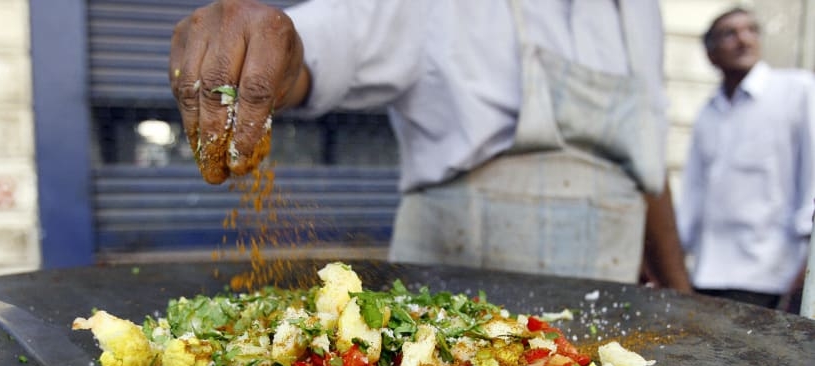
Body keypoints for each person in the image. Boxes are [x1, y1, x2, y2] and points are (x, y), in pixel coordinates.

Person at [170, 0, 691, 291]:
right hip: (457, 290)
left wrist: (683, 296)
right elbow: (326, 42)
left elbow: (648, 155)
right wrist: (271, 38)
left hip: (614, 290)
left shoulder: (641, 11)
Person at [677, 7, 815, 311]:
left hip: (773, 276)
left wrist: (805, 271)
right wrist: (674, 263)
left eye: (751, 30)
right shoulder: (708, 111)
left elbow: (813, 183)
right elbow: (693, 194)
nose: (744, 40)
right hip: (708, 276)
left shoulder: (797, 90)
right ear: (711, 55)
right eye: (730, 33)